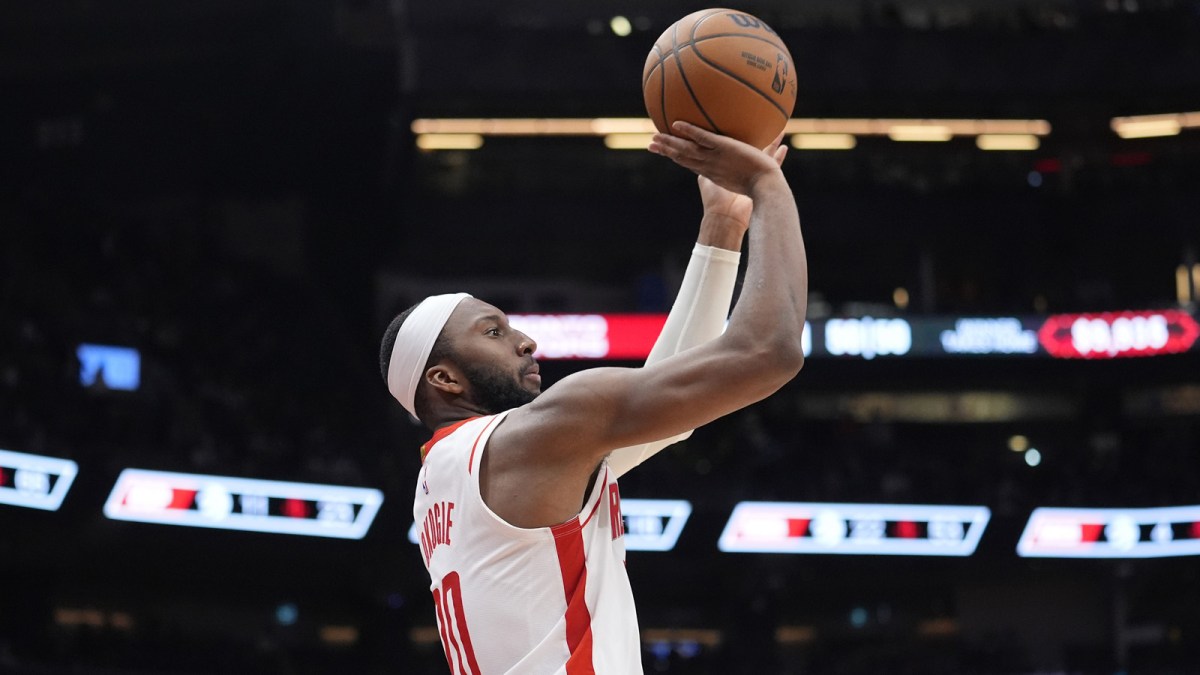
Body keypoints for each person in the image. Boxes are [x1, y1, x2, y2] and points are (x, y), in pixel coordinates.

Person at [379, 121, 808, 674]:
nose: (525, 339)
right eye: (492, 332)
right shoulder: (537, 437)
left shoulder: (446, 477)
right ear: (445, 380)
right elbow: (770, 352)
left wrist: (723, 226)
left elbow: (670, 418)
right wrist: (767, 185)